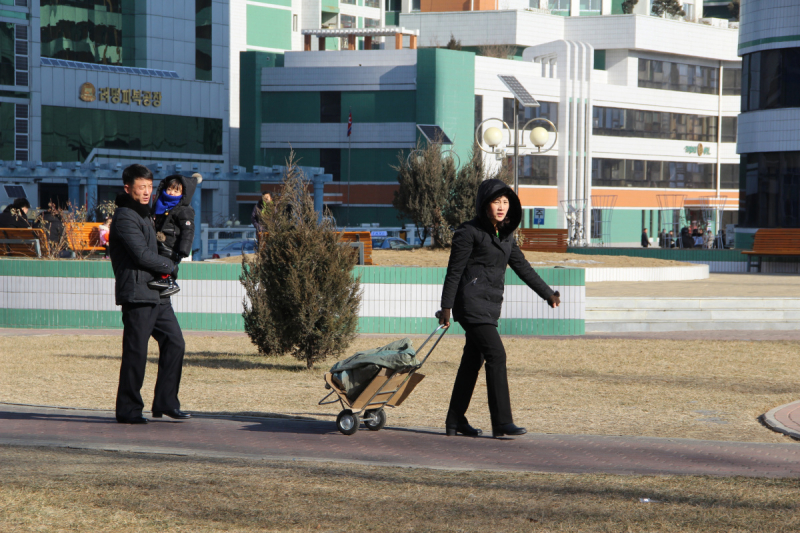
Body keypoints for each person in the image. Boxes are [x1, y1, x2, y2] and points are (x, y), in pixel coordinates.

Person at [438, 179, 560, 439]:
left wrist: (547, 293)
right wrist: (446, 307)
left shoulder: (505, 236)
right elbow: (454, 271)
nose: (502, 207)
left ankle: (455, 419)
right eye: (496, 201)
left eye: (506, 202)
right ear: (485, 204)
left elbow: (523, 267)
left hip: (489, 306)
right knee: (496, 354)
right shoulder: (468, 232)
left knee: (473, 361)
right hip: (470, 304)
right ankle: (502, 422)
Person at [110, 164, 190, 424]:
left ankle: (165, 402)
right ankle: (128, 410)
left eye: (149, 186)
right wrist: (170, 266)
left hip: (156, 291)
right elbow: (142, 255)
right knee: (136, 352)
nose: (146, 192)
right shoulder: (124, 216)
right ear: (127, 188)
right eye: (141, 187)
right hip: (137, 292)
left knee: (175, 342)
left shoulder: (146, 214)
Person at [147, 173, 200, 296]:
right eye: (169, 189)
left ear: (183, 193)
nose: (171, 193)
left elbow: (188, 230)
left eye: (176, 191)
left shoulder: (184, 209)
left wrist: (183, 250)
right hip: (160, 241)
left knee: (167, 260)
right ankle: (165, 280)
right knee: (160, 259)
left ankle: (170, 282)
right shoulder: (161, 205)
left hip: (172, 243)